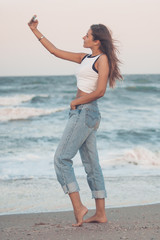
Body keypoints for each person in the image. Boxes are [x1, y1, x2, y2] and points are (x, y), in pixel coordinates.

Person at [28, 15, 123, 227]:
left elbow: (100, 91)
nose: (84, 36)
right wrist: (34, 30)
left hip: (84, 112)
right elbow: (54, 51)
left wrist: (76, 101)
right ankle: (100, 213)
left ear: (97, 40)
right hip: (85, 113)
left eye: (87, 35)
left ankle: (79, 207)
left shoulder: (102, 60)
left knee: (61, 159)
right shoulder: (84, 58)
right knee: (92, 165)